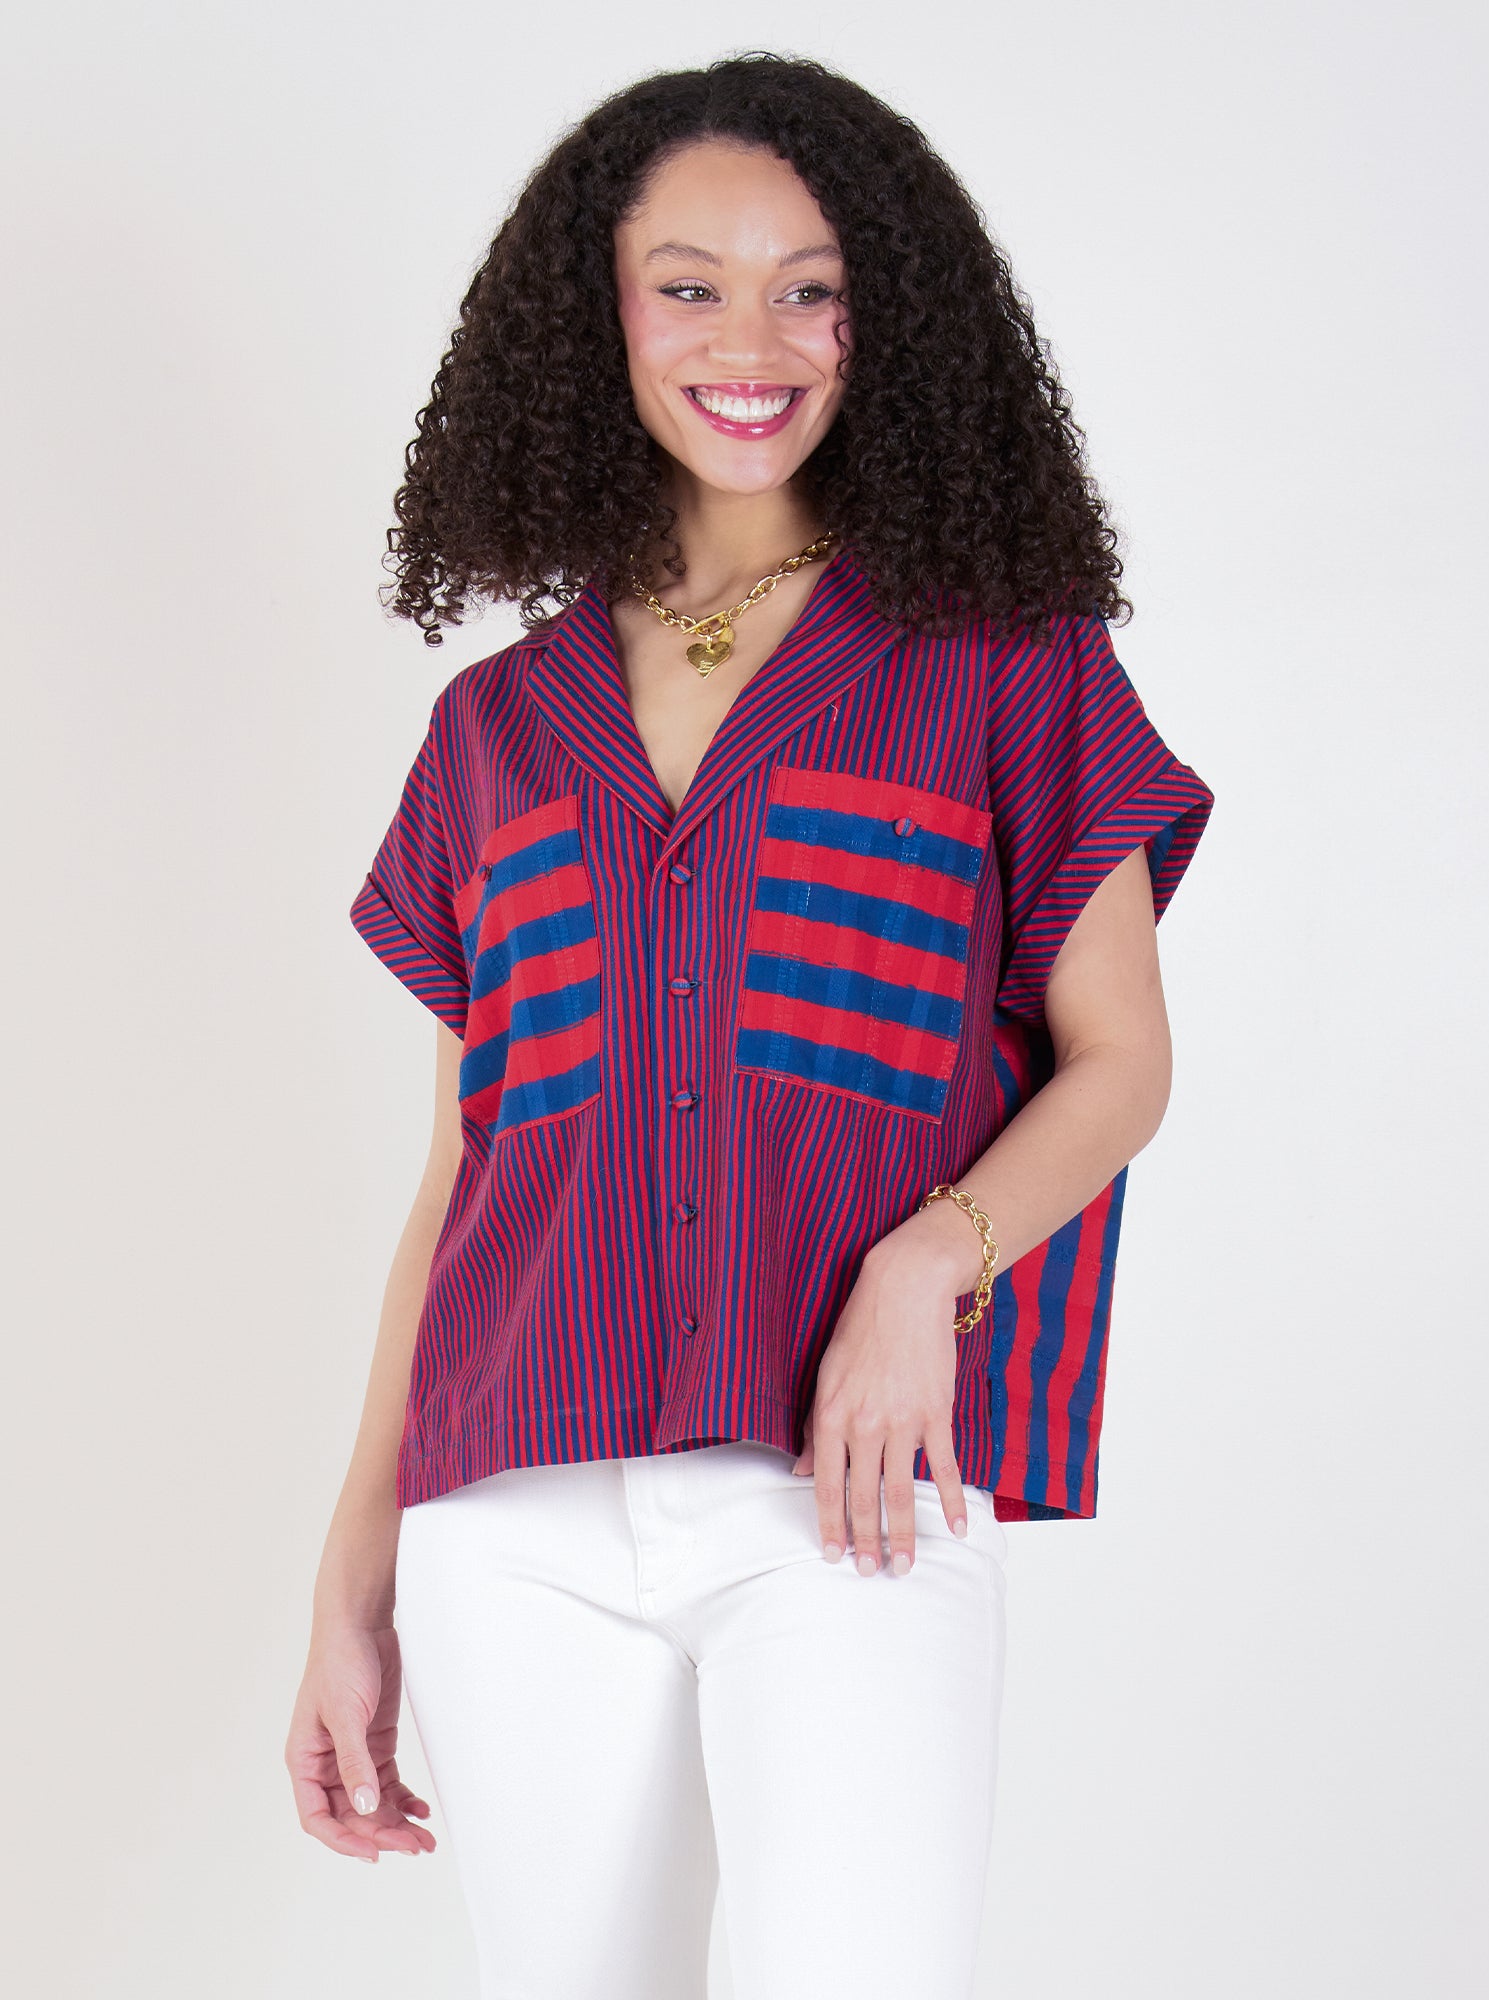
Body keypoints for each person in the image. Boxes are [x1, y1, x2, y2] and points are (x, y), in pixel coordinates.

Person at [285, 51, 1214, 2000]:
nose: (750, 340)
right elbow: (464, 1167)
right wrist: (352, 1576)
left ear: (890, 321)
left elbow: (1122, 1059)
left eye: (811, 288)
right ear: (598, 319)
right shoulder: (492, 730)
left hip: (849, 1485)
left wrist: (924, 1266)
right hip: (508, 1506)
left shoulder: (1005, 661)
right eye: (688, 284)